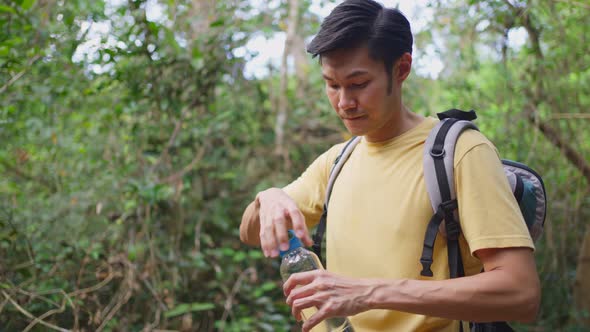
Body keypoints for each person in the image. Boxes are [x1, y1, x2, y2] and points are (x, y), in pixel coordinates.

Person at [239, 0, 541, 331]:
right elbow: (251, 233)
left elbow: (521, 293)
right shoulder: (337, 162)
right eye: (332, 84)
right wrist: (266, 198)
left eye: (358, 84)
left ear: (401, 68)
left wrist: (370, 292)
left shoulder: (462, 153)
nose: (344, 102)